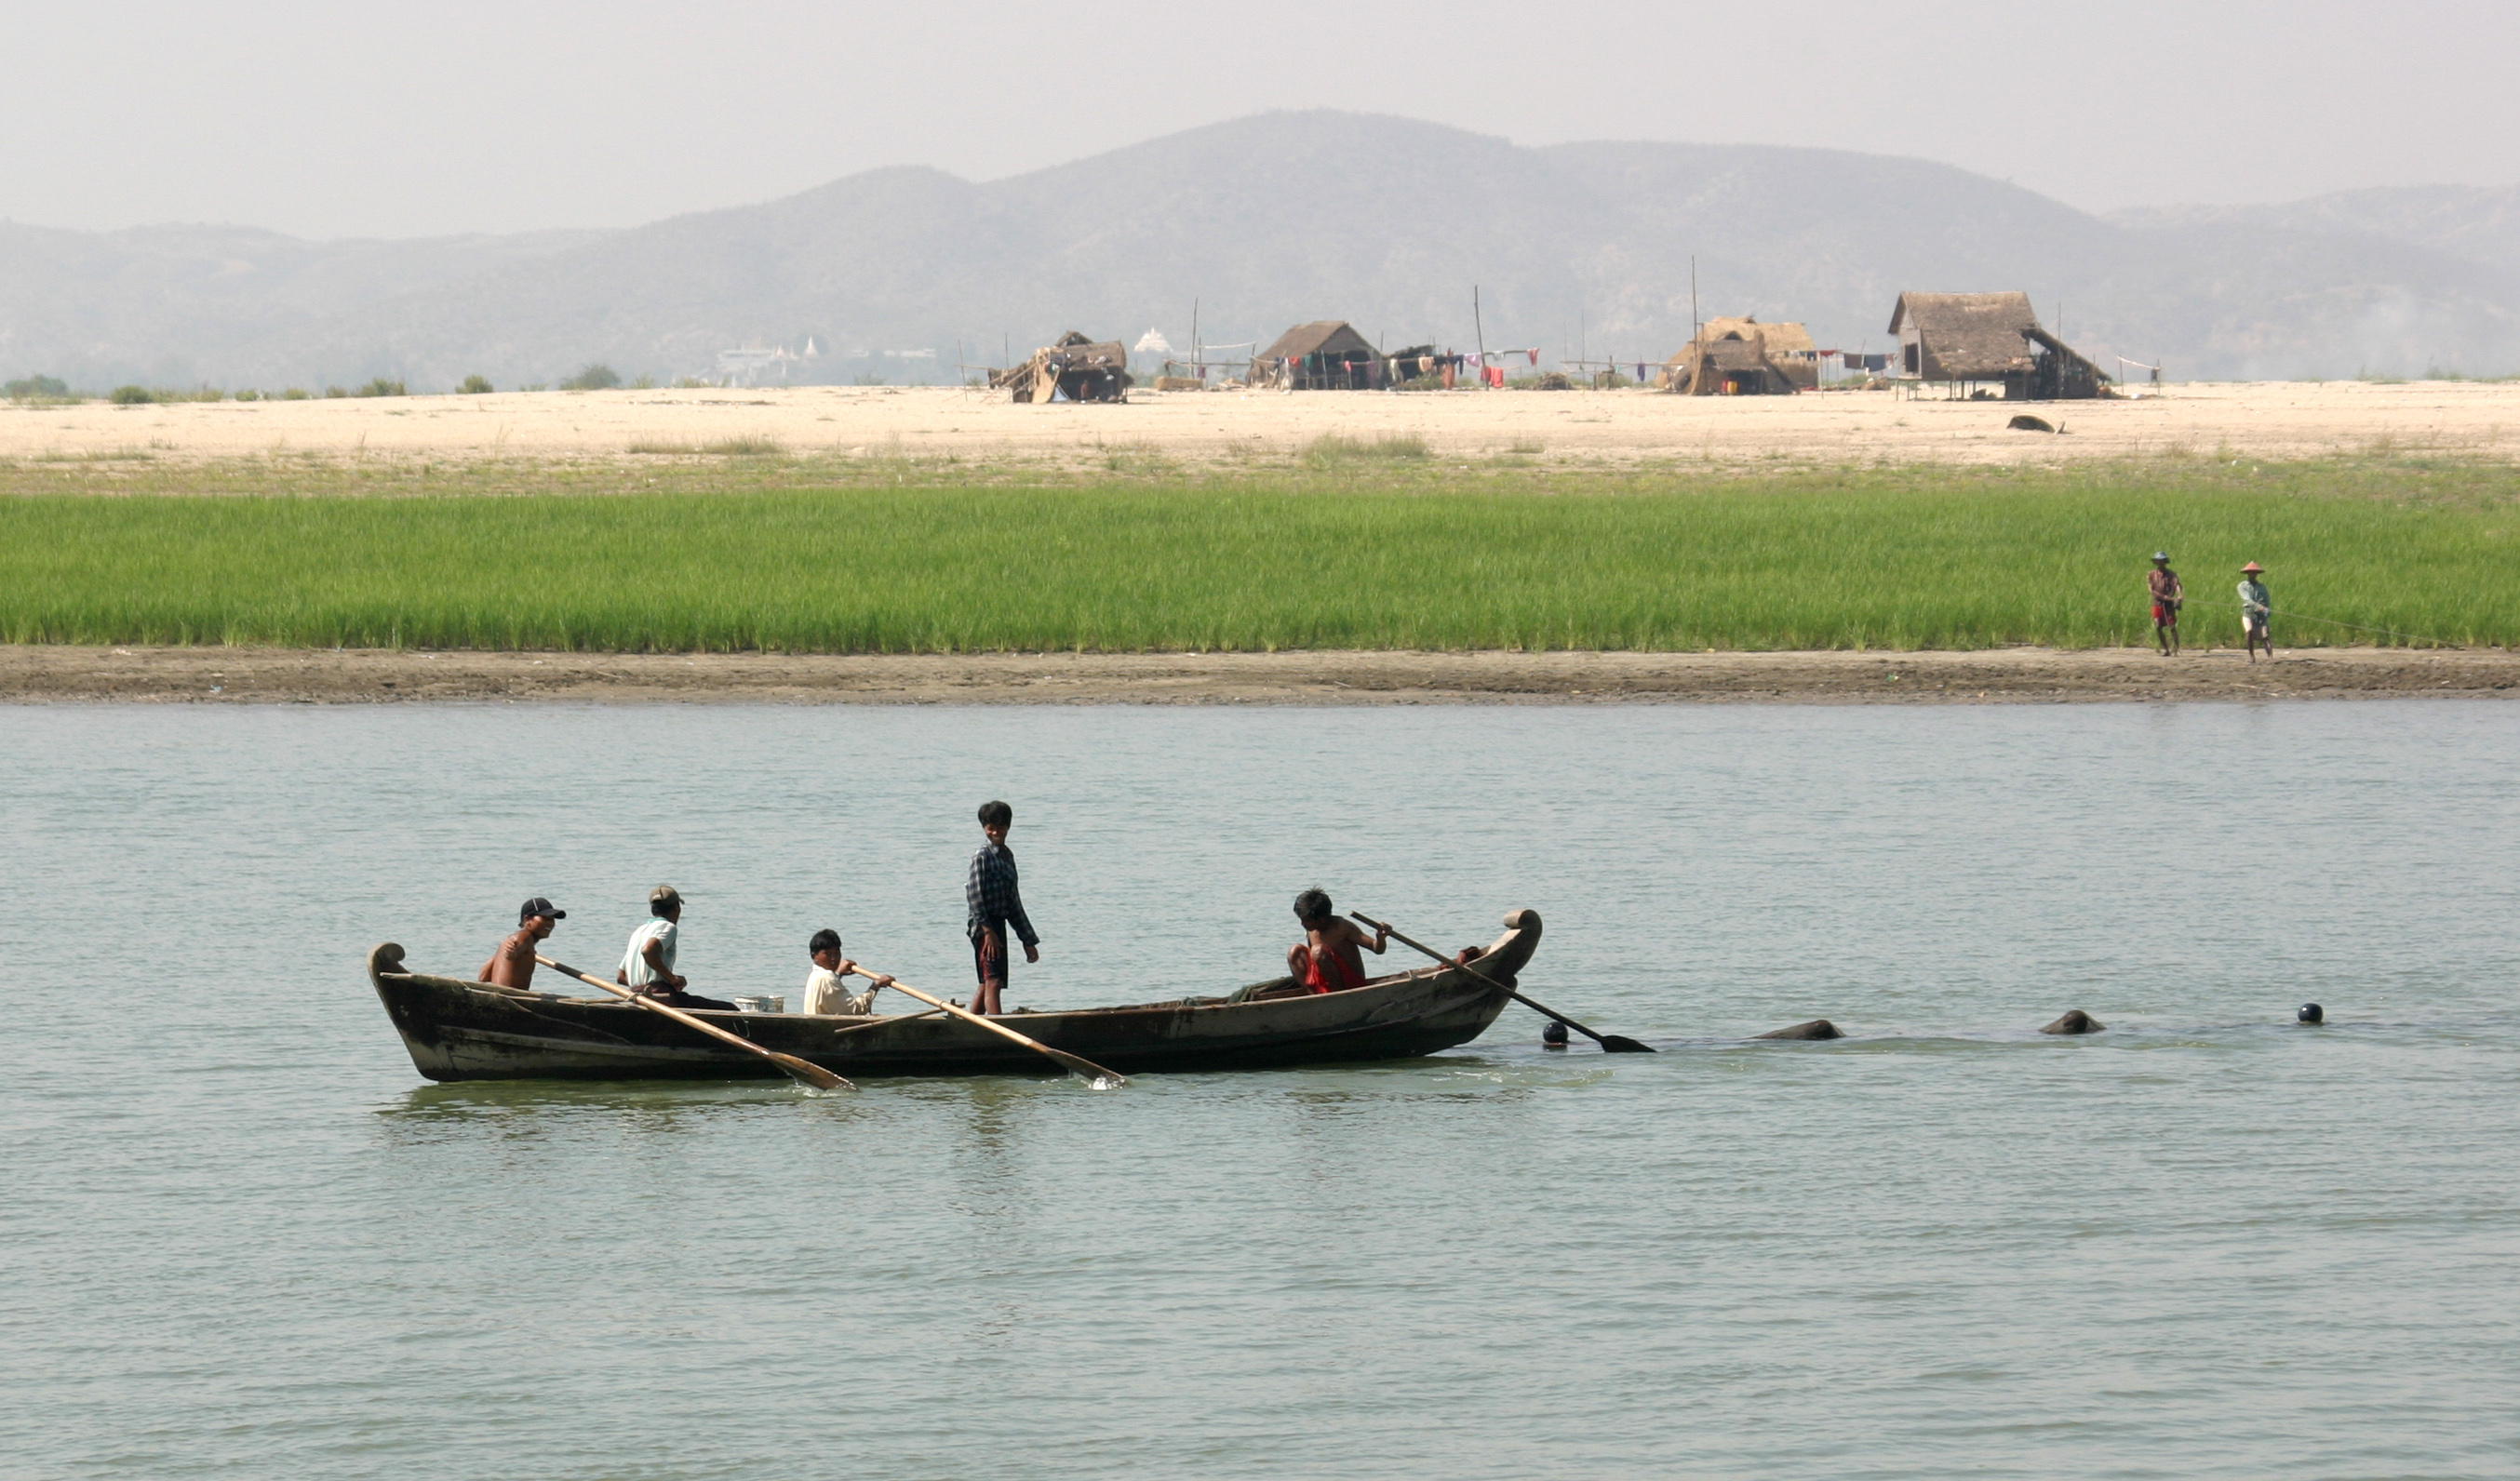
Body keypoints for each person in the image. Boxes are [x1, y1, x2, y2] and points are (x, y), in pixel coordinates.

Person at [965, 801, 1039, 1016]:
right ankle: (998, 1026)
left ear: (1008, 826)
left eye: (1000, 826)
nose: (995, 831)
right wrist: (987, 932)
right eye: (990, 827)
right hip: (984, 926)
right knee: (994, 981)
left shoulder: (1007, 856)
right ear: (984, 828)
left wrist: (1028, 940)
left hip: (998, 923)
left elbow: (1013, 902)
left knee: (987, 981)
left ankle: (972, 1023)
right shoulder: (982, 856)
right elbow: (974, 896)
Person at [617, 884, 736, 1011]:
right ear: (676, 908)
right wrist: (672, 978)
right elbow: (648, 951)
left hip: (638, 996)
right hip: (661, 997)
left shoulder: (638, 932)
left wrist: (657, 981)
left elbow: (621, 977)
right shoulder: (668, 927)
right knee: (729, 1008)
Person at [1285, 888, 1387, 994]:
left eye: (1306, 920)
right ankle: (1312, 995)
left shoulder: (1342, 927)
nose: (1302, 924)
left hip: (1349, 984)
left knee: (1318, 951)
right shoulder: (1311, 930)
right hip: (1324, 983)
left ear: (1321, 919)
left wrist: (1380, 938)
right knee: (1294, 951)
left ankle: (1337, 996)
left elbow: (1377, 949)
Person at [478, 896, 564, 991]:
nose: (550, 923)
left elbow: (483, 977)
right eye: (544, 918)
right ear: (527, 919)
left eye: (551, 919)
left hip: (503, 997)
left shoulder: (508, 942)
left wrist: (504, 953)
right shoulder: (524, 937)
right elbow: (517, 947)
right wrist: (513, 953)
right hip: (510, 1000)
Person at [803, 927, 893, 1016]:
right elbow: (856, 1010)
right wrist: (875, 986)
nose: (834, 958)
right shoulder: (827, 978)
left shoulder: (815, 976)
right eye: (828, 954)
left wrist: (838, 974)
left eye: (836, 953)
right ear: (815, 956)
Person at [2147, 551, 2184, 656]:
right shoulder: (2151, 574)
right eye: (2158, 561)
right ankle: (2166, 649)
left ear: (2165, 562)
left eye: (2162, 561)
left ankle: (2176, 649)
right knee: (2158, 626)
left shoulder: (2171, 574)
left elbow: (2176, 584)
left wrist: (2180, 594)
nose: (2160, 563)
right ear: (2156, 562)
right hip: (2157, 603)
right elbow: (2151, 590)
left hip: (2169, 604)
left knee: (2172, 626)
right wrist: (2164, 597)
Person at [2239, 561, 2273, 661]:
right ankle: (2252, 656)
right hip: (2248, 612)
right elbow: (2247, 600)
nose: (2253, 574)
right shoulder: (2242, 586)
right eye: (2251, 572)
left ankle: (2270, 657)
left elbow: (2266, 599)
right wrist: (2259, 607)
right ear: (2248, 573)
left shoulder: (2262, 587)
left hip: (2261, 614)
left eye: (2254, 572)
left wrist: (2266, 608)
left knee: (2265, 636)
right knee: (2249, 632)